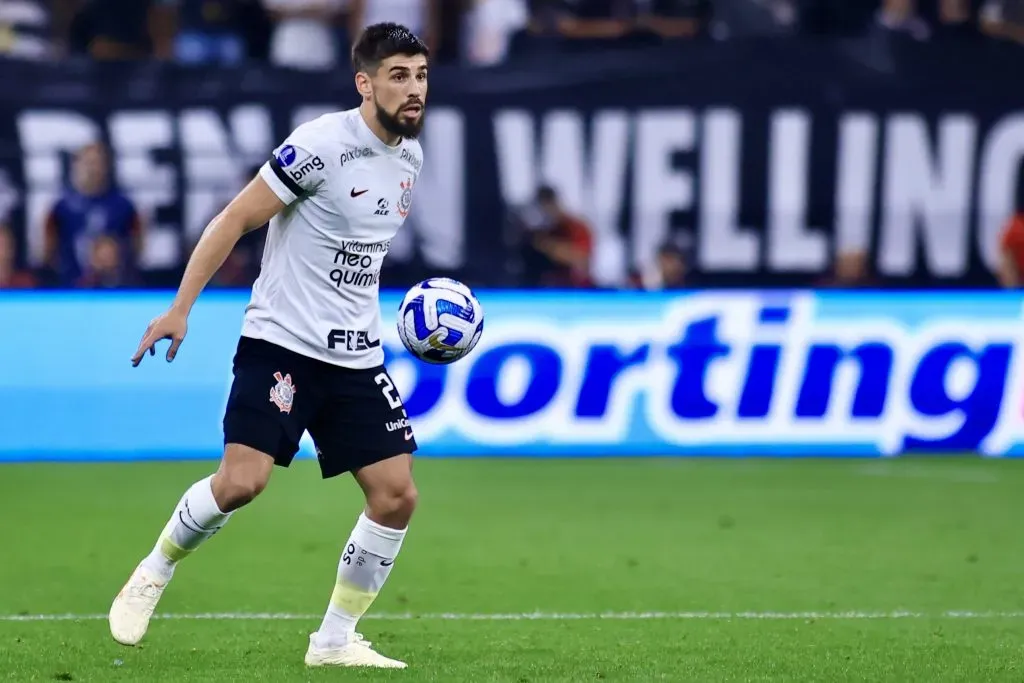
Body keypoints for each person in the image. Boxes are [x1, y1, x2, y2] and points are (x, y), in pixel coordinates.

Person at [108, 22, 429, 670]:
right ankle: (155, 567)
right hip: (282, 343)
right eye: (398, 75)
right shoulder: (318, 146)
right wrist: (180, 307)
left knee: (396, 494)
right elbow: (235, 218)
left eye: (421, 75)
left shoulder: (410, 160)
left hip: (356, 355)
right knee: (242, 482)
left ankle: (334, 639)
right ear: (364, 83)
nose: (414, 89)